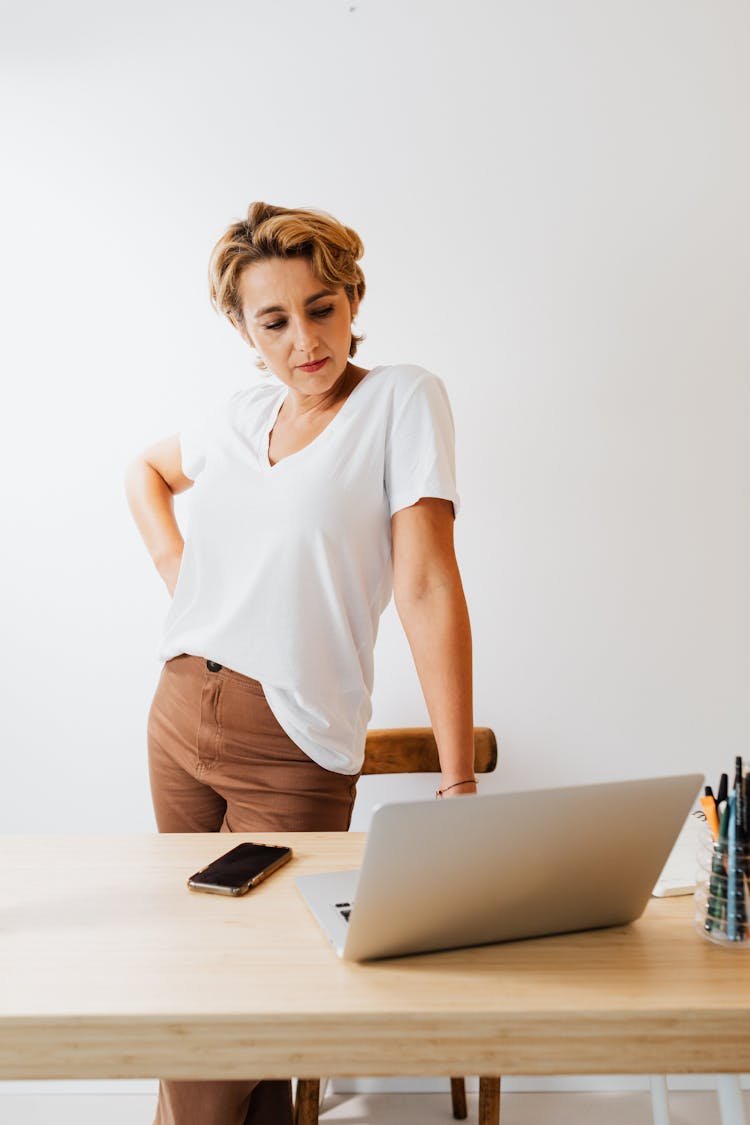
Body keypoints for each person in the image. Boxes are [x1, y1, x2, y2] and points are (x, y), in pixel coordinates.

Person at [124, 200, 475, 1125]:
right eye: (273, 320)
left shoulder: (401, 399)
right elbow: (146, 471)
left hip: (289, 744)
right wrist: (181, 576)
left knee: (228, 1005)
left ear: (352, 297)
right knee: (206, 983)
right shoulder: (238, 417)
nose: (304, 338)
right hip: (177, 716)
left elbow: (428, 585)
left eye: (321, 307)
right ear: (244, 331)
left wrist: (455, 780)